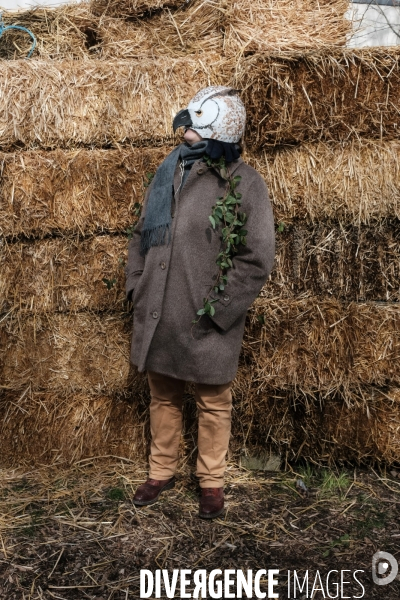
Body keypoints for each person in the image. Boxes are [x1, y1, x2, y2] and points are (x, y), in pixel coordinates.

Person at [125, 86, 275, 519]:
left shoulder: (244, 183)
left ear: (218, 131)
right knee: (163, 396)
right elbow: (141, 235)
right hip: (159, 310)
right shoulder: (169, 172)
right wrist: (137, 284)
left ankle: (211, 481)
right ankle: (161, 471)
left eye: (193, 125)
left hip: (206, 318)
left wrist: (222, 311)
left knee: (213, 401)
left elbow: (257, 256)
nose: (183, 130)